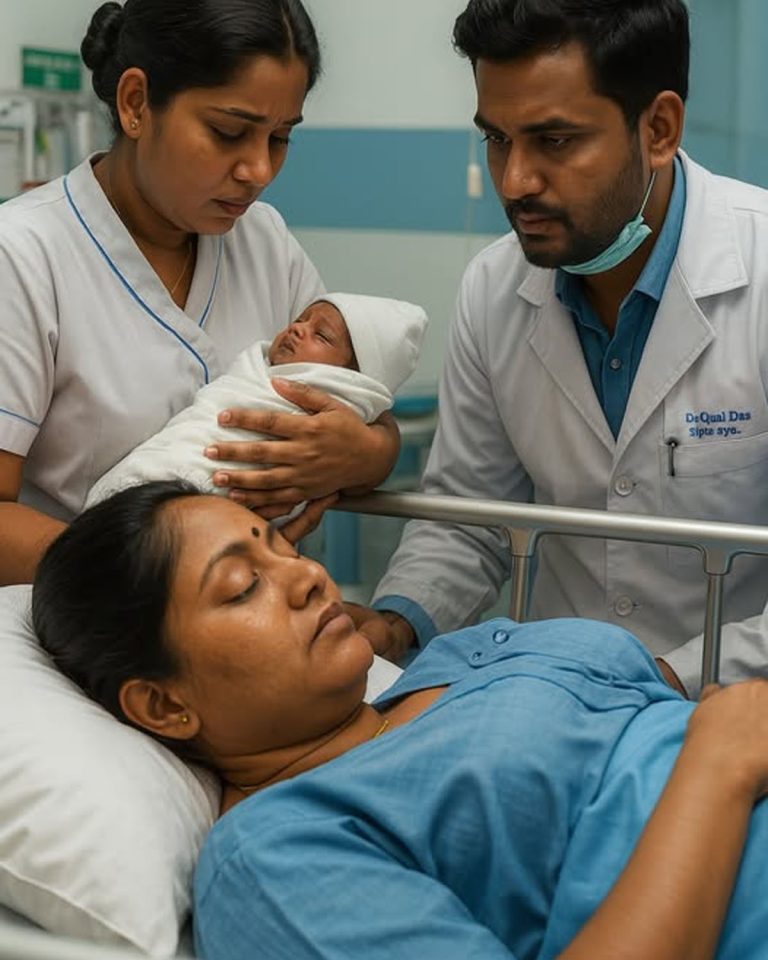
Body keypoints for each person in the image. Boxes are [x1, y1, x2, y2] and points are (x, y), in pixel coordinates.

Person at [32, 482, 768, 960]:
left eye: (282, 546)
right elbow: (712, 747)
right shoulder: (277, 856)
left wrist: (717, 730)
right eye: (242, 586)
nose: (307, 575)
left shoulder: (458, 656)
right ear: (164, 704)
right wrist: (718, 767)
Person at [355, 0, 768, 698]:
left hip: (732, 709)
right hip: (557, 706)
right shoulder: (493, 288)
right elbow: (470, 521)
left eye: (554, 140)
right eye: (496, 139)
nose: (514, 181)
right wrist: (393, 626)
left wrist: (661, 678)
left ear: (658, 129)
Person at [0, 0, 399, 587]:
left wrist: (367, 455)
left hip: (253, 607)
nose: (258, 170)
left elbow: (362, 408)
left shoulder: (264, 241)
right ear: (136, 104)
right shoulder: (23, 254)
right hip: (82, 614)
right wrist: (161, 579)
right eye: (228, 132)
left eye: (280, 138)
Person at [85, 293, 428, 505]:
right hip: (133, 497)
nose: (297, 328)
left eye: (320, 335)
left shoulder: (271, 241)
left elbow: (369, 419)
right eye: (299, 320)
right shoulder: (255, 370)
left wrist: (370, 452)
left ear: (354, 377)